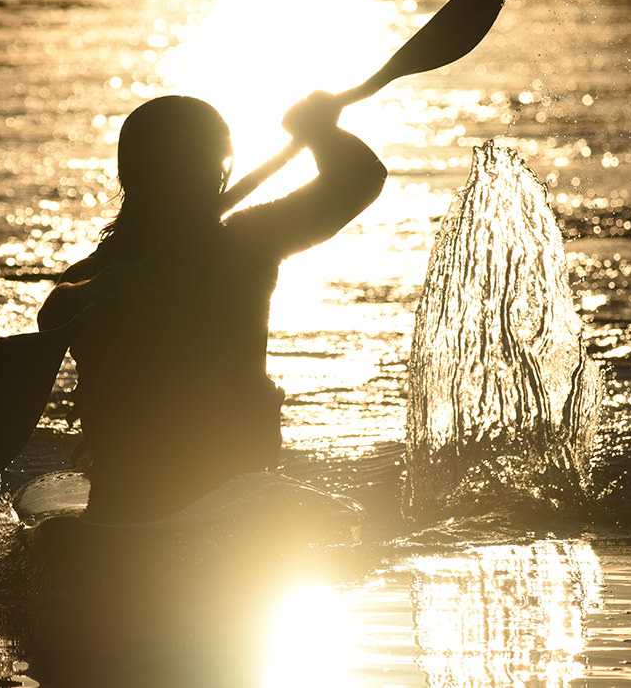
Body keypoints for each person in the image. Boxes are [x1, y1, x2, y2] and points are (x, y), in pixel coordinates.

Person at [37, 91, 386, 522]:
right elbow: (52, 313)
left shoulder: (252, 239)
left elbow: (360, 178)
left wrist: (320, 134)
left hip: (235, 480)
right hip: (132, 487)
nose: (193, 183)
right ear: (139, 177)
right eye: (176, 172)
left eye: (202, 170)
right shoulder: (97, 274)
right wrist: (96, 290)